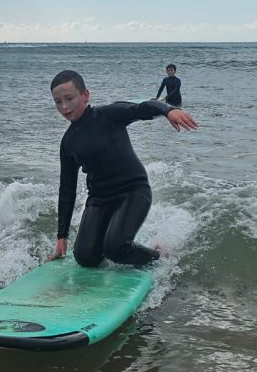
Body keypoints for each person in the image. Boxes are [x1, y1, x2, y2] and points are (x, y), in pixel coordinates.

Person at [48, 69, 197, 268]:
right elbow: (67, 188)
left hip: (133, 192)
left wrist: (168, 110)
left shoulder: (108, 114)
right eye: (58, 102)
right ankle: (115, 244)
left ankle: (159, 256)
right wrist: (61, 236)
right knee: (85, 258)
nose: (64, 107)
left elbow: (142, 108)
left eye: (69, 98)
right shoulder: (68, 143)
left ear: (85, 95)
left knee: (115, 248)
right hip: (99, 199)